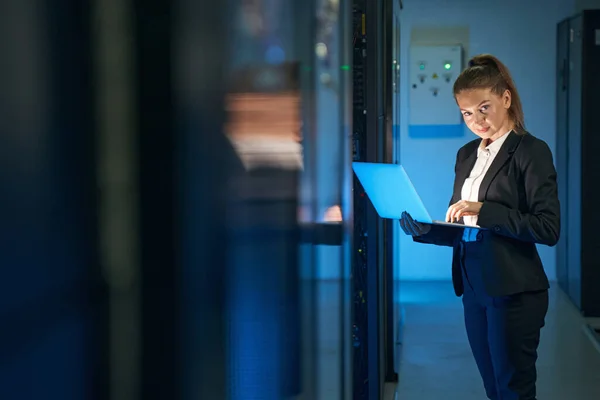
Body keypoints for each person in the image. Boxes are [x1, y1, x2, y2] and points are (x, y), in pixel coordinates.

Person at [399, 54, 560, 400]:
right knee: (493, 389)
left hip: (514, 291)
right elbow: (465, 224)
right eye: (467, 113)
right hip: (473, 287)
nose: (476, 121)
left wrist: (486, 211)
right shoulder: (466, 154)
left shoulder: (531, 152)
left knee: (513, 391)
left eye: (484, 108)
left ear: (506, 98)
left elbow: (547, 228)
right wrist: (425, 230)